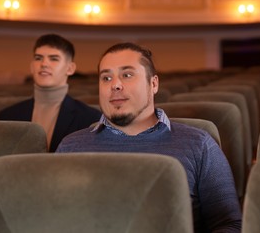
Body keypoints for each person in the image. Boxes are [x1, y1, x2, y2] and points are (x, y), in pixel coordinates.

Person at [56, 42, 242, 232]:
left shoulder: (200, 145)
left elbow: (228, 224)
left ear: (153, 84)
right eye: (106, 77)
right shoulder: (70, 147)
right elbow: (52, 220)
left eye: (127, 75)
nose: (115, 85)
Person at [0, 34, 101, 152]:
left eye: (54, 59)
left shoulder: (91, 118)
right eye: (38, 58)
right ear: (32, 67)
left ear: (70, 68)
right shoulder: (7, 116)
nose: (44, 64)